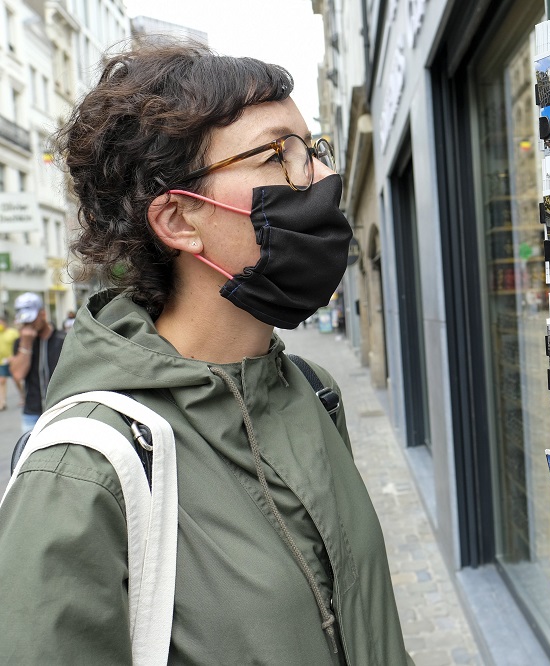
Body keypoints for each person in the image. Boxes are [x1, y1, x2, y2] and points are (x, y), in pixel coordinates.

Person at [0, 43, 411, 664]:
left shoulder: (312, 392)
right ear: (180, 219)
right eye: (281, 155)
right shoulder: (82, 472)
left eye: (314, 150)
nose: (321, 179)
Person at [8, 292, 64, 433]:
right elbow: (18, 375)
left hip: (60, 411)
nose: (28, 325)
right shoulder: (21, 343)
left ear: (42, 314)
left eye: (31, 320)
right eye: (25, 322)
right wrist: (26, 344)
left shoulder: (62, 340)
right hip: (32, 413)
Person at [0, 315, 20, 410]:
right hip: (2, 362)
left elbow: (19, 345)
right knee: (2, 381)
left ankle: (23, 396)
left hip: (13, 361)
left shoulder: (13, 332)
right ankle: (2, 402)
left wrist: (15, 357)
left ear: (5, 322)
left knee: (16, 380)